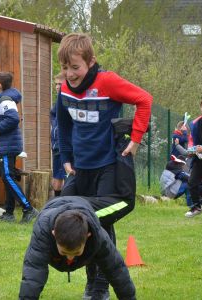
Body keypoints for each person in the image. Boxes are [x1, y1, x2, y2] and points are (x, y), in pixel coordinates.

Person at [55, 33, 151, 297]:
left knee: (100, 223)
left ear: (90, 61)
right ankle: (92, 281)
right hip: (80, 169)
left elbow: (144, 99)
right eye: (65, 68)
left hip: (108, 166)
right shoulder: (64, 88)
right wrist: (65, 158)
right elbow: (62, 124)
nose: (70, 74)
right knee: (70, 217)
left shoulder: (106, 81)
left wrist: (136, 139)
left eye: (75, 67)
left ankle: (99, 286)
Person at [19, 196, 135, 300]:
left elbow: (117, 271)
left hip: (84, 207)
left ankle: (96, 286)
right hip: (54, 207)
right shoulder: (43, 231)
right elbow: (33, 274)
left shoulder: (98, 235)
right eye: (64, 251)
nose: (70, 257)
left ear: (87, 236)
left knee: (100, 255)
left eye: (77, 252)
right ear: (54, 235)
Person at [0, 71, 38, 223]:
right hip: (6, 144)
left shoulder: (5, 100)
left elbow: (13, 119)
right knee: (7, 178)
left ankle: (28, 208)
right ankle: (9, 214)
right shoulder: (2, 100)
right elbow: (1, 122)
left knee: (7, 177)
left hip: (7, 145)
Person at [50, 72, 66, 197]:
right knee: (57, 175)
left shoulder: (67, 101)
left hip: (64, 145)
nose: (57, 87)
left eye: (60, 84)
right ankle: (57, 201)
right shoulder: (57, 103)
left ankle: (62, 201)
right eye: (56, 84)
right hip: (56, 144)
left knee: (64, 175)